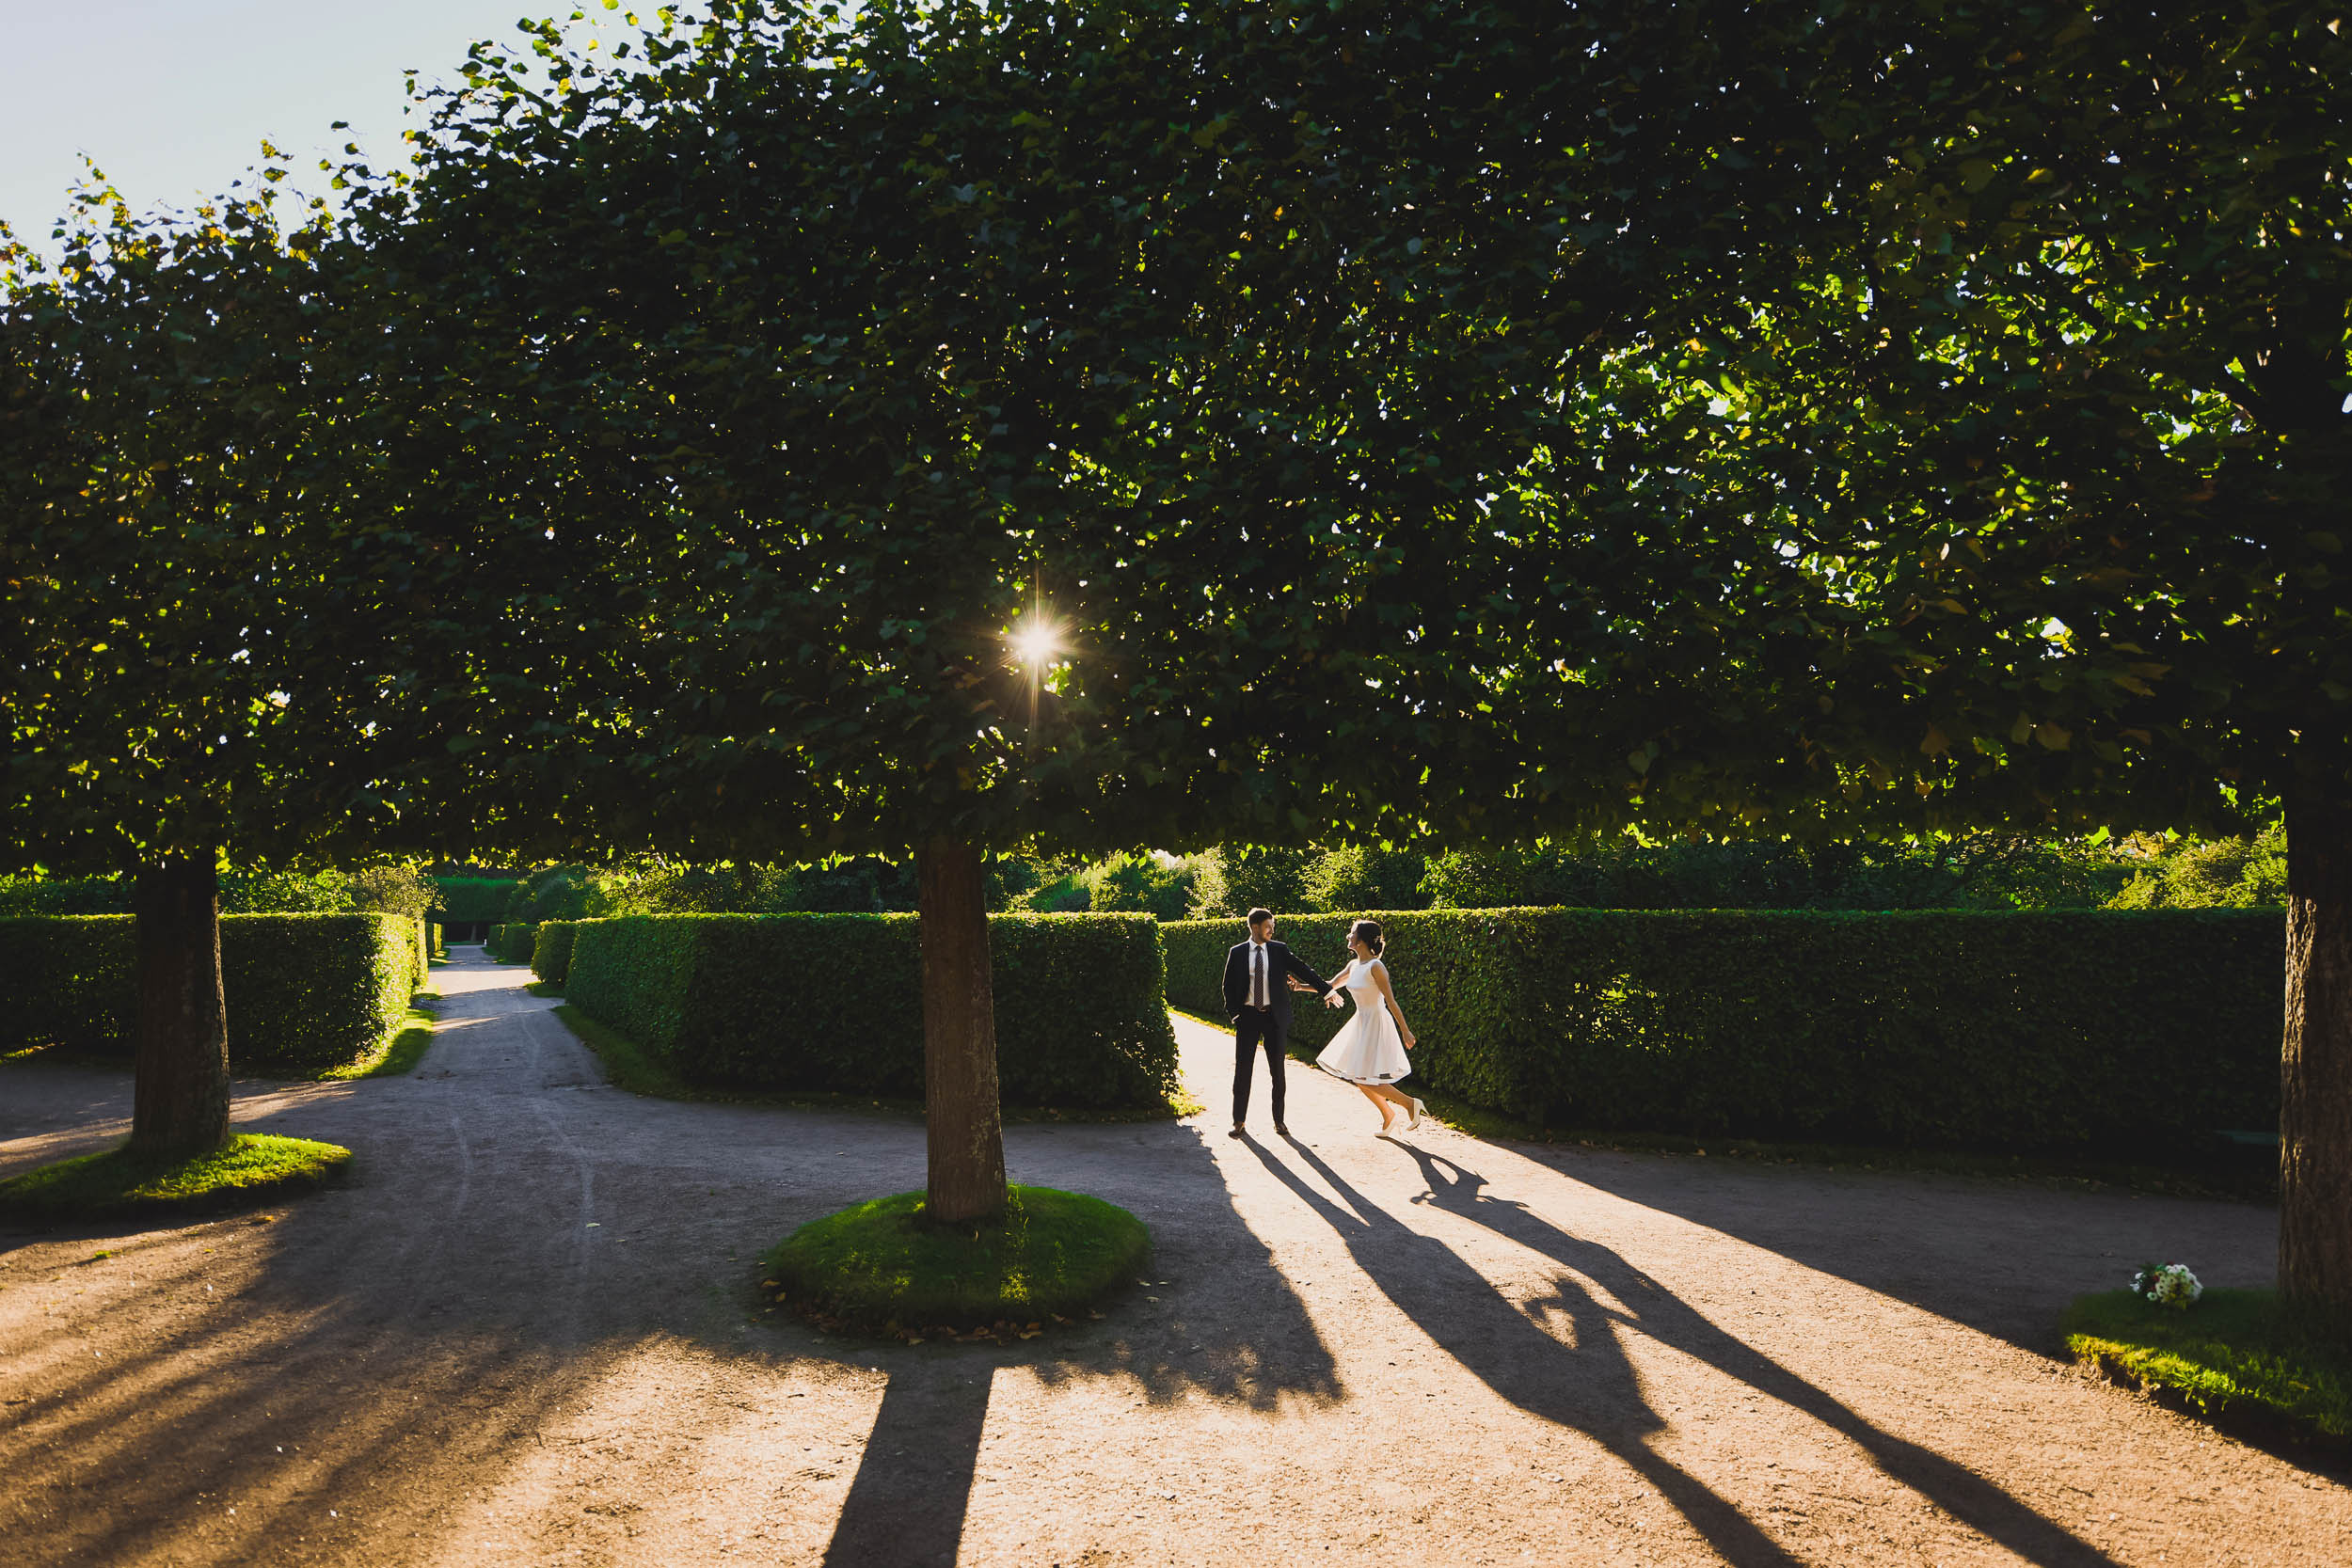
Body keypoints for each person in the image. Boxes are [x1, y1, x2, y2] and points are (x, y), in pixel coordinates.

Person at [1221, 908, 1332, 1137]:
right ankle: (1238, 1121)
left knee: (1278, 1072)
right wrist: (1236, 1015)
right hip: (1248, 1017)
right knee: (1243, 1070)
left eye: (1273, 926)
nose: (1271, 930)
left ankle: (1279, 1121)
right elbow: (1228, 987)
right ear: (1254, 927)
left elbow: (1304, 970)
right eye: (1267, 926)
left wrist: (1326, 990)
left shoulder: (1279, 950)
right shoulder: (1238, 952)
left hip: (1274, 1018)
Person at [1313, 918, 1427, 1133]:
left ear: (1362, 940)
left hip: (1376, 1023)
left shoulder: (1376, 967)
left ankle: (1409, 1104)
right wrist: (1300, 987)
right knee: (1360, 1076)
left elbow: (1391, 1001)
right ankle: (1390, 1115)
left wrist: (1405, 1030)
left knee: (1363, 1077)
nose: (1348, 936)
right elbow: (1329, 985)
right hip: (1361, 1022)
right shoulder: (1354, 965)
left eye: (1352, 933)